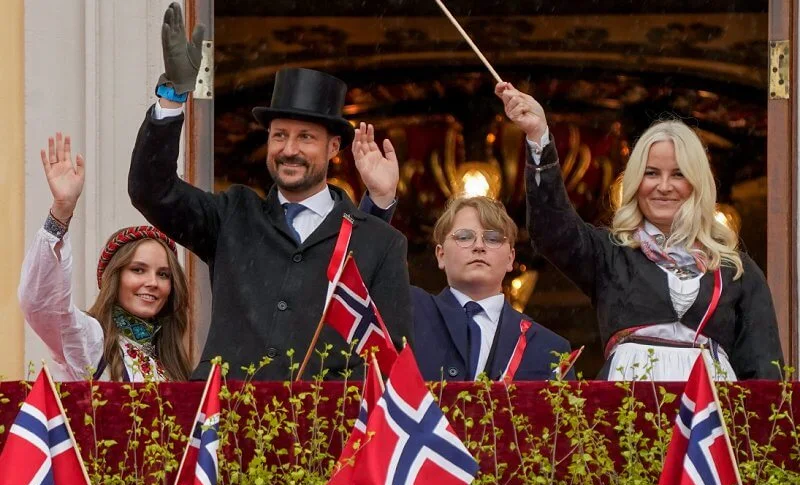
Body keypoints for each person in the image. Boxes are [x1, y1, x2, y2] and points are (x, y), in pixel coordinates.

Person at [128, 3, 411, 380]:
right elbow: (151, 190)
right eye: (279, 135)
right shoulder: (232, 215)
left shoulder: (379, 241)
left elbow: (386, 362)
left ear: (333, 149)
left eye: (306, 137)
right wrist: (171, 99)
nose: (289, 149)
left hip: (319, 430)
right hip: (223, 421)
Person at [493, 81, 784, 380]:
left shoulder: (736, 270)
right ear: (635, 181)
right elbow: (552, 230)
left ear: (697, 184)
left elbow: (764, 371)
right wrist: (539, 136)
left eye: (679, 175)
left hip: (709, 416)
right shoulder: (611, 253)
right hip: (627, 409)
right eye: (652, 173)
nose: (664, 186)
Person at [352, 123, 573, 381]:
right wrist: (379, 200)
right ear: (440, 254)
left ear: (511, 258)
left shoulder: (550, 348)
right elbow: (354, 283)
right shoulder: (410, 311)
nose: (479, 246)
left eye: (492, 238)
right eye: (464, 237)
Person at [19, 133, 192, 382]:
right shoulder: (90, 343)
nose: (153, 282)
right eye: (138, 270)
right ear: (114, 278)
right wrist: (61, 212)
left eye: (163, 274)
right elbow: (42, 303)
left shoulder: (172, 364)